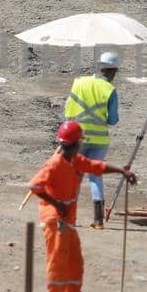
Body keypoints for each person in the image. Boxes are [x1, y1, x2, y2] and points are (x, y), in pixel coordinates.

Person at [28, 120, 136, 292]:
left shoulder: (74, 160)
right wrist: (56, 203)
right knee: (58, 261)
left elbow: (95, 166)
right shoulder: (54, 164)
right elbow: (35, 186)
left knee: (75, 262)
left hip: (67, 220)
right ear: (77, 143)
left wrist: (122, 171)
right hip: (55, 220)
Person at [63, 51, 121, 229]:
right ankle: (98, 221)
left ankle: (68, 217)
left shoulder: (79, 83)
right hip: (99, 141)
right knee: (96, 176)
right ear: (112, 71)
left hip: (77, 138)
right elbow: (112, 119)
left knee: (74, 177)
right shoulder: (110, 90)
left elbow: (67, 110)